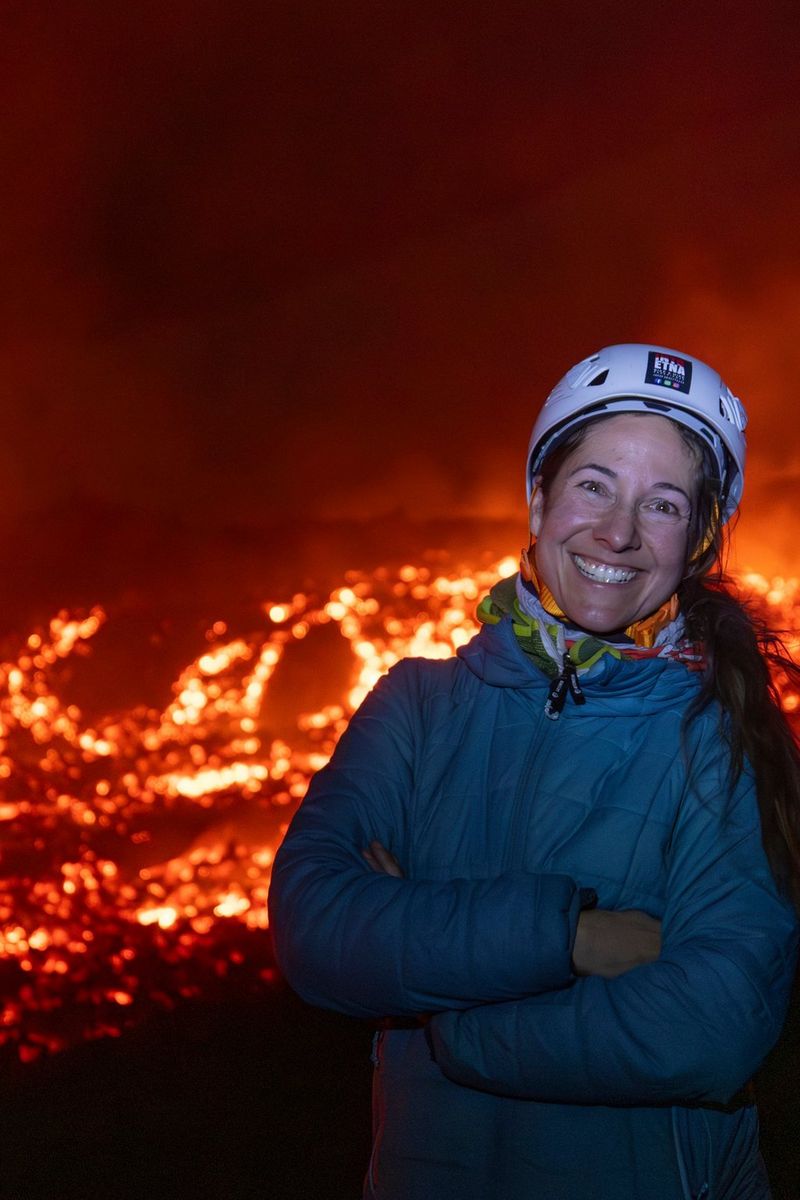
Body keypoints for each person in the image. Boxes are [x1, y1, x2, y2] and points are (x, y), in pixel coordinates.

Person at [268, 343, 800, 1199]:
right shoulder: (418, 706)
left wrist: (448, 1013)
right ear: (540, 497)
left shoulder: (721, 738)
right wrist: (571, 939)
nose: (619, 532)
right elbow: (314, 926)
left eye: (662, 505)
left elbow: (713, 1025)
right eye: (595, 485)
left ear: (698, 542)